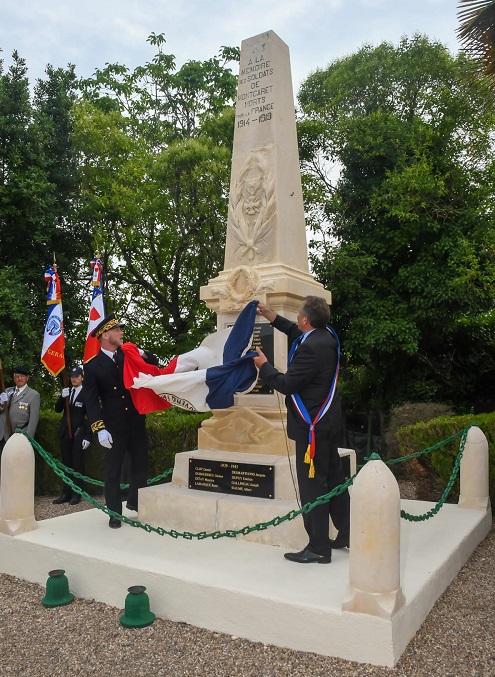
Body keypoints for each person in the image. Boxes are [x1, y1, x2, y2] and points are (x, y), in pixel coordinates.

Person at [253, 296, 350, 564]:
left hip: (312, 428)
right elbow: (296, 332)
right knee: (333, 479)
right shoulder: (325, 336)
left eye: (298, 314)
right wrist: (272, 316)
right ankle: (347, 531)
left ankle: (318, 547)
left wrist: (264, 367)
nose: (297, 317)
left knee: (313, 486)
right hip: (328, 423)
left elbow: (286, 384)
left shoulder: (311, 348)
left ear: (306, 318)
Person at [82, 313, 159, 529]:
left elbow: (154, 364)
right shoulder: (93, 366)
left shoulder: (127, 357)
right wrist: (99, 429)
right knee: (113, 470)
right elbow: (91, 401)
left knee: (140, 466)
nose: (121, 333)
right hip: (113, 426)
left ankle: (137, 505)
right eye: (117, 330)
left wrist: (139, 352)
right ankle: (114, 512)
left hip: (135, 421)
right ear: (106, 335)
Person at [53, 366, 91, 506]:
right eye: (72, 377)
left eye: (77, 376)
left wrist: (88, 436)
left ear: (82, 377)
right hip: (65, 432)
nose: (74, 379)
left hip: (78, 432)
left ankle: (77, 493)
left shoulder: (87, 393)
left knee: (77, 464)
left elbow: (91, 417)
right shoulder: (67, 392)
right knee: (66, 463)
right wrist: (62, 398)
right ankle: (66, 492)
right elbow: (57, 410)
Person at [0, 366, 40, 445]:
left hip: (18, 436)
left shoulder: (33, 395)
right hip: (2, 435)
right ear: (14, 378)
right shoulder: (7, 391)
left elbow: (33, 420)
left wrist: (28, 439)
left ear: (27, 378)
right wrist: (1, 403)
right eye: (17, 376)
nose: (20, 379)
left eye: (22, 376)